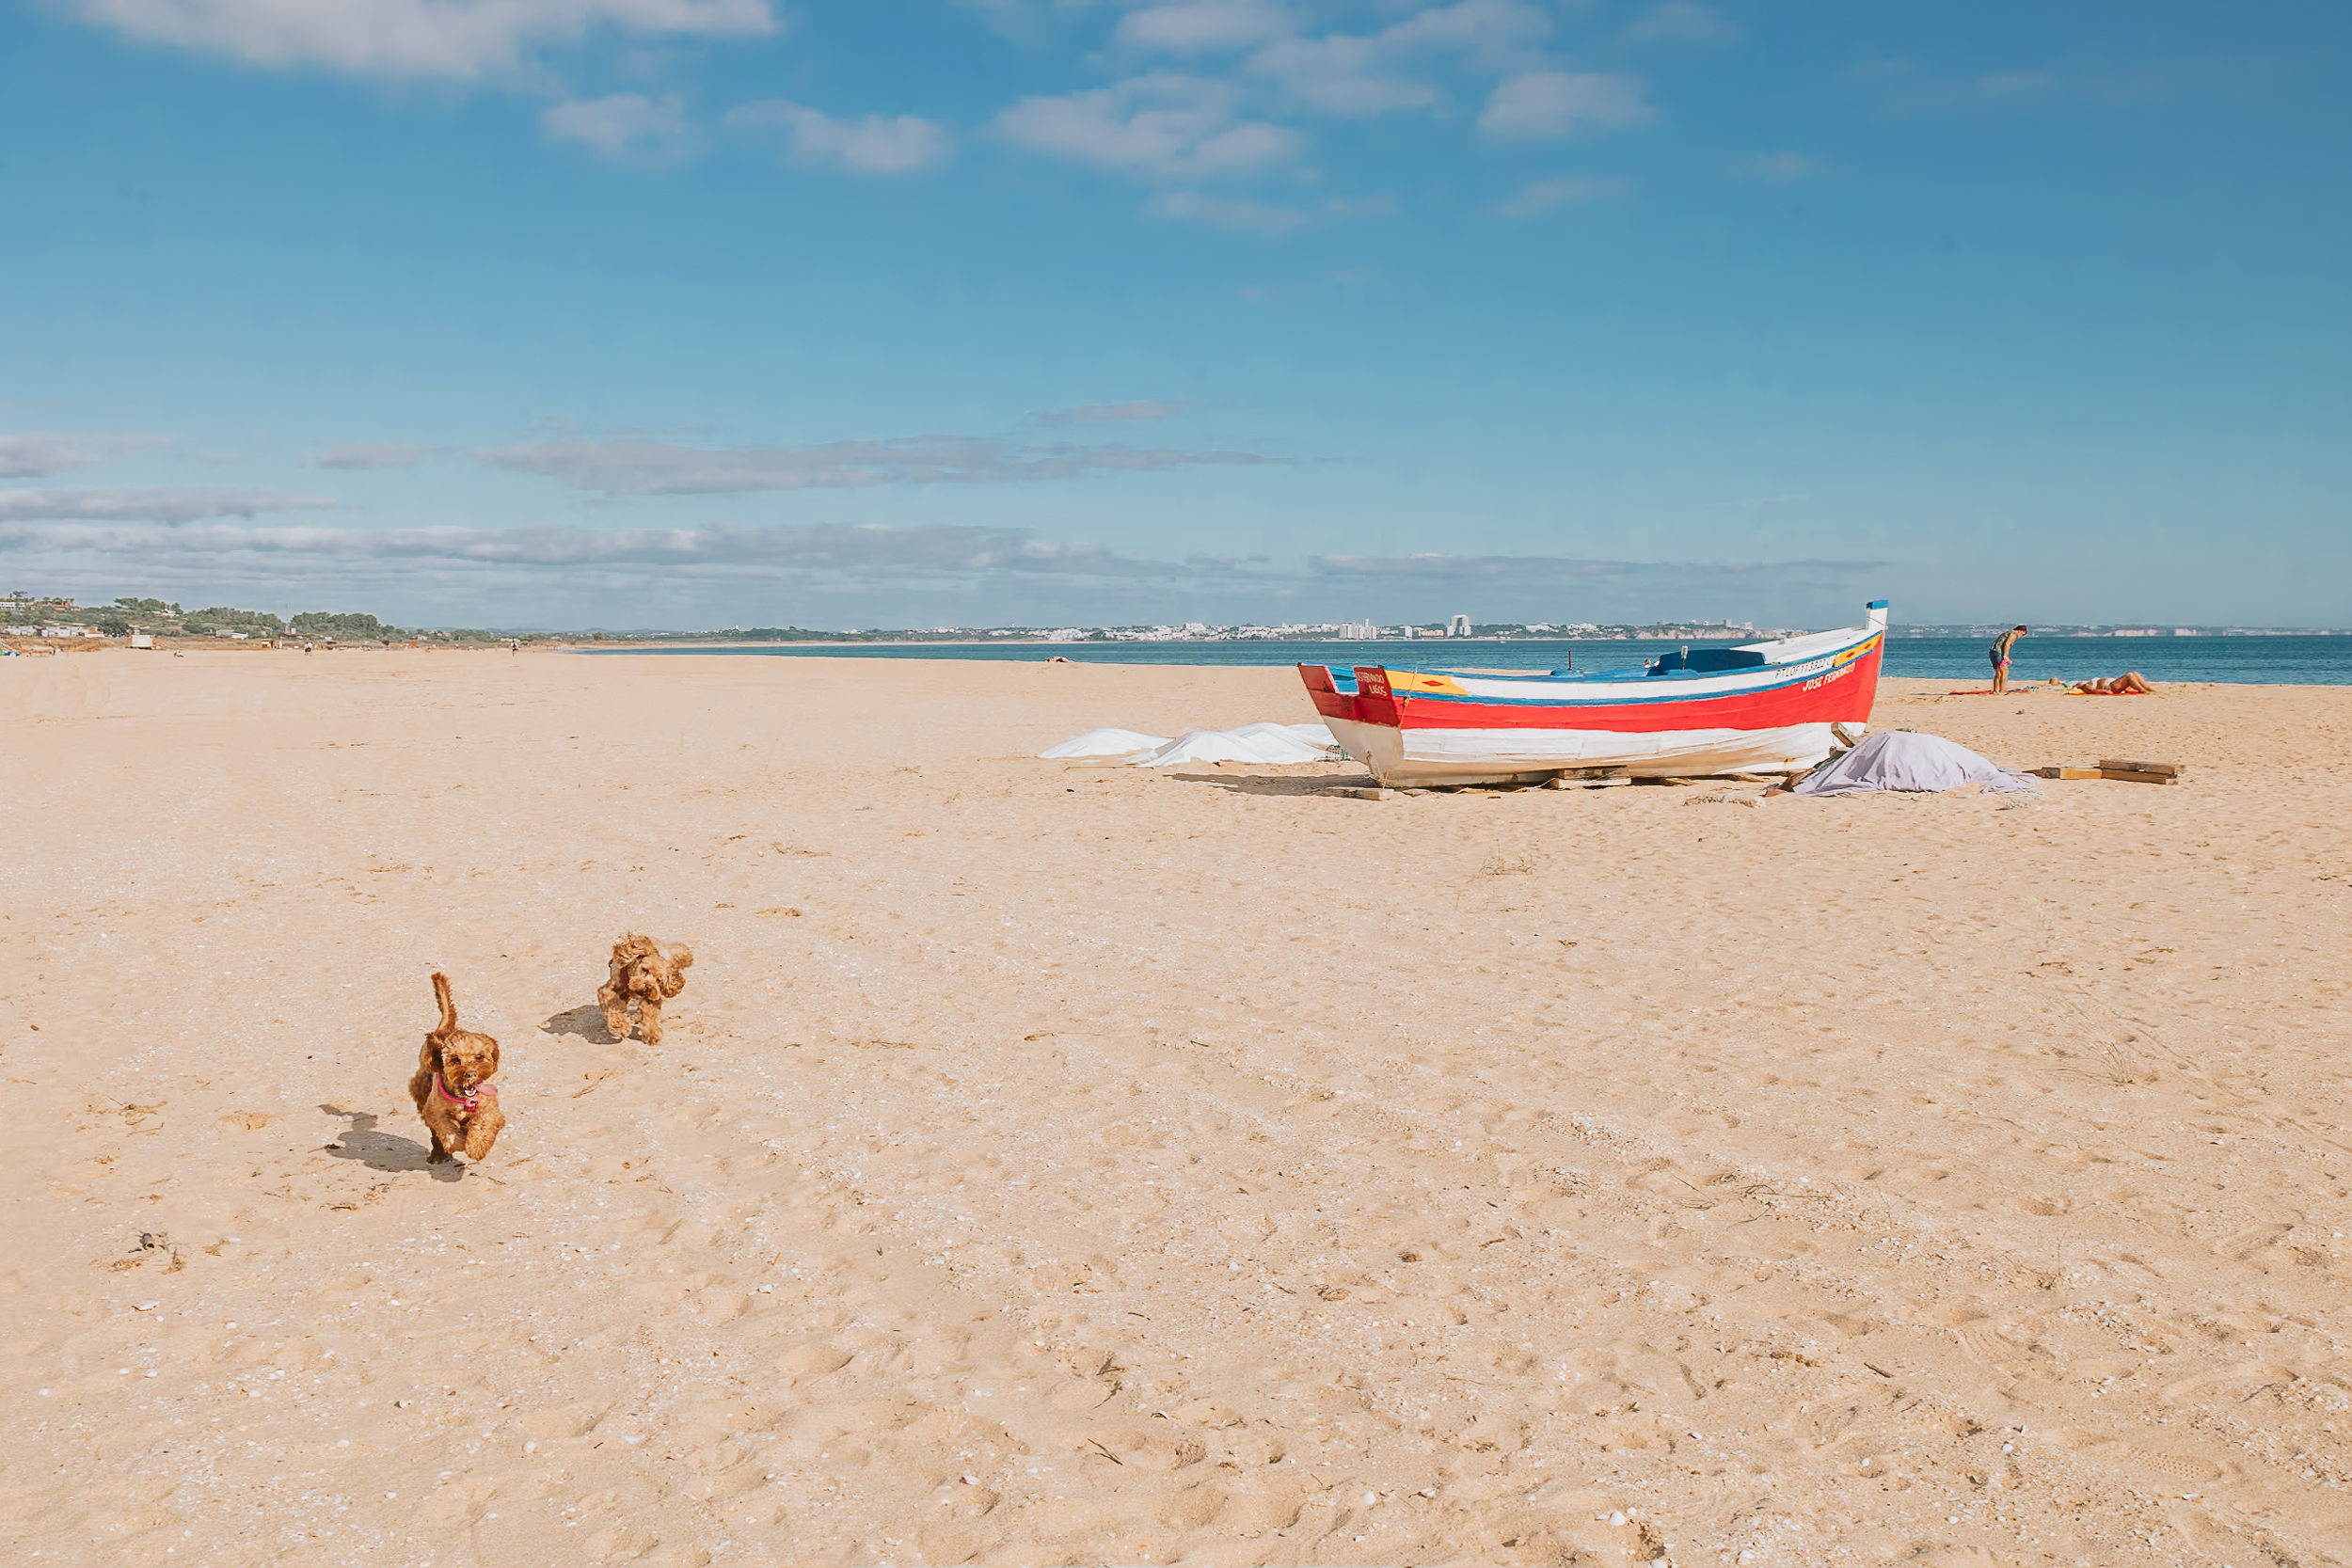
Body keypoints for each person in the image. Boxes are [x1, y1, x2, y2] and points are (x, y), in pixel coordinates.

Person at [1988, 624, 2027, 693]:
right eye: (2022, 634)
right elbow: (2007, 644)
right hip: (1998, 653)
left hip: (1992, 652)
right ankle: (2002, 690)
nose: (2021, 636)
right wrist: (2005, 656)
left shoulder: (2006, 633)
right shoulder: (2013, 634)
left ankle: (1996, 690)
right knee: (2004, 672)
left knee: (1998, 673)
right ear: (2021, 631)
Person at [2071, 671, 2153, 695]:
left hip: (2113, 684)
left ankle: (2149, 688)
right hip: (2110, 686)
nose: (2079, 682)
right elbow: (2094, 691)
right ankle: (2143, 690)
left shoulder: (2088, 683)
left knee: (2134, 673)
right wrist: (2105, 692)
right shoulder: (2086, 686)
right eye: (2077, 684)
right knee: (2129, 675)